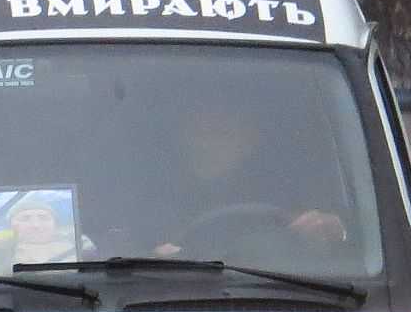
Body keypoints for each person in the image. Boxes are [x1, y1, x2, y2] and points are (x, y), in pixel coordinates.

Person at [150, 99, 349, 259]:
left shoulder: (287, 192)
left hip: (280, 294)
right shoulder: (148, 196)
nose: (206, 145)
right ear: (181, 138)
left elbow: (355, 251)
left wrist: (329, 234)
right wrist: (150, 260)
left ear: (249, 141)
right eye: (198, 133)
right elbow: (123, 255)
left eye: (221, 133)